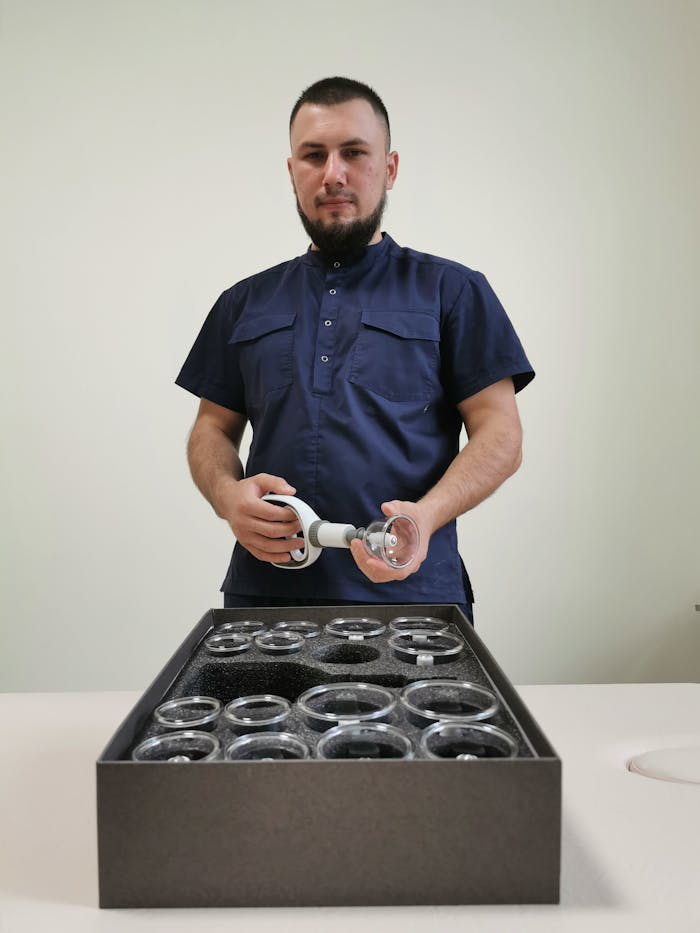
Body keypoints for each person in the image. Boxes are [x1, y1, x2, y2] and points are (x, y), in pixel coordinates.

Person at [176, 77, 534, 622]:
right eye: (313, 156)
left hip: (412, 595)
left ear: (389, 168)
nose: (333, 174)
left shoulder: (453, 292)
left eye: (354, 153)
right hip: (265, 597)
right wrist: (227, 496)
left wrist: (424, 518)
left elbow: (501, 434)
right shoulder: (242, 302)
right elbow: (211, 429)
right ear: (292, 171)